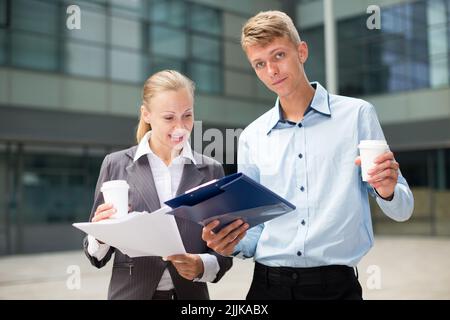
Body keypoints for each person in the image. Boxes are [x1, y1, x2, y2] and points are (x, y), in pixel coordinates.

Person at [202, 11, 414, 300]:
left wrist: (387, 190)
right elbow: (256, 228)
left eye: (278, 55)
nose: (272, 71)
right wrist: (231, 242)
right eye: (260, 64)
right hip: (267, 286)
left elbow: (402, 210)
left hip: (336, 289)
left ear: (301, 51)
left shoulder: (357, 116)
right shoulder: (252, 136)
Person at [83, 70, 232, 300]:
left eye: (187, 115)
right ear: (146, 115)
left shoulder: (211, 169)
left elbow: (224, 250)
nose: (180, 127)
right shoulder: (116, 164)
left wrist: (201, 265)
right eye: (169, 118)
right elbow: (96, 257)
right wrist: (100, 236)